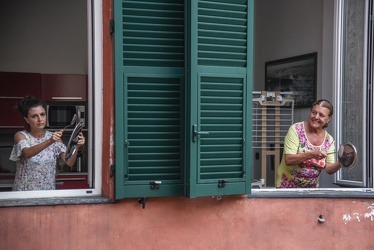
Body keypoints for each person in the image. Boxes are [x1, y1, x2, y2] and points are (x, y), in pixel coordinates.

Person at [9, 96, 85, 191]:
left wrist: (76, 146)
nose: (40, 119)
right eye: (34, 116)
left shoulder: (54, 138)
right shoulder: (21, 135)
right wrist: (50, 141)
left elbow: (69, 162)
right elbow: (27, 153)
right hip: (24, 192)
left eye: (42, 114)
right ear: (26, 119)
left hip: (47, 192)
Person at [276, 99, 341, 188]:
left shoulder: (329, 140)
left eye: (321, 115)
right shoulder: (296, 130)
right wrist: (311, 154)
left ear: (328, 119)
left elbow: (329, 169)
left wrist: (342, 162)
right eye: (314, 112)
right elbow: (289, 159)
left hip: (311, 190)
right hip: (287, 187)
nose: (316, 117)